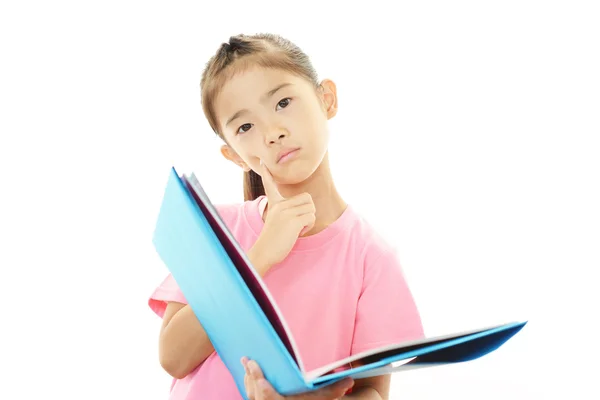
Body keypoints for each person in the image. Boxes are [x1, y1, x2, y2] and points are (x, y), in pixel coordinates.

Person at [148, 33, 425, 400]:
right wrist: (260, 256)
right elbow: (173, 357)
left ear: (326, 99)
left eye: (283, 102)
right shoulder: (215, 228)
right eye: (245, 127)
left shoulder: (370, 257)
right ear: (234, 155)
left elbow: (372, 391)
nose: (273, 132)